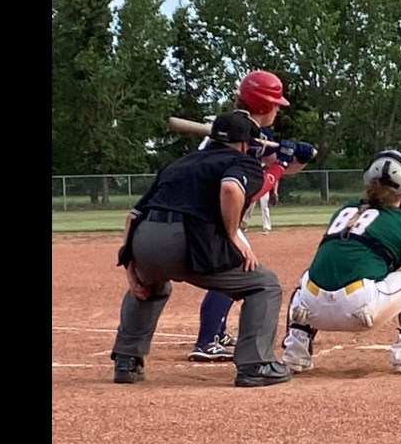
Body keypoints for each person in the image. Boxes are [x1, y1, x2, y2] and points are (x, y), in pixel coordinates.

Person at [111, 111, 291, 388]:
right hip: (188, 240)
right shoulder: (242, 162)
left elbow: (133, 216)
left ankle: (126, 360)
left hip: (145, 239)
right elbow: (231, 188)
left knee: (150, 286)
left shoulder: (178, 164)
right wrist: (232, 235)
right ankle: (256, 365)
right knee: (263, 284)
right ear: (245, 143)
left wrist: (133, 268)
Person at [280, 149, 401, 374]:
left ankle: (295, 354)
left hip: (311, 308)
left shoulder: (344, 210)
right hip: (359, 307)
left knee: (310, 275)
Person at [187, 70, 314, 363]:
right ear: (262, 105)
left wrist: (298, 159)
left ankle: (214, 333)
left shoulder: (251, 132)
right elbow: (253, 187)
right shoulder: (242, 133)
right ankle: (205, 342)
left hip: (215, 212)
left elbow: (278, 165)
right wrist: (281, 162)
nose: (278, 110)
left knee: (235, 269)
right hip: (212, 213)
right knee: (238, 270)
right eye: (275, 105)